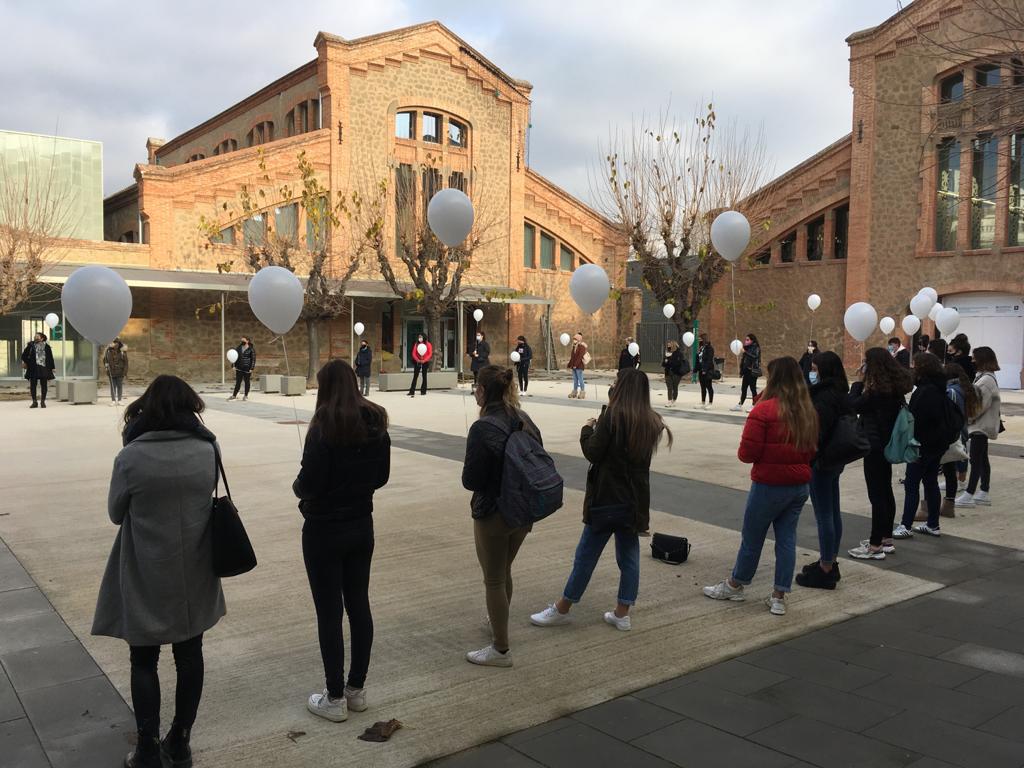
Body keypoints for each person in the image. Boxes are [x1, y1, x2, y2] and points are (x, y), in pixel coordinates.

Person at [92, 376, 226, 768]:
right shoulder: (208, 448)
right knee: (190, 654)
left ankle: (147, 747)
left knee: (143, 659)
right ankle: (180, 741)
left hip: (146, 568)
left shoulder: (130, 456)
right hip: (196, 567)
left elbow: (116, 513)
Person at [531, 369, 671, 631]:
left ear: (623, 388)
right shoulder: (651, 422)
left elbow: (593, 452)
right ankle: (622, 611)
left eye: (617, 382)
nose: (613, 384)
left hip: (607, 498)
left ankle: (563, 607)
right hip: (634, 502)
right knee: (629, 557)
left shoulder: (612, 417)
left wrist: (587, 428)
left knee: (586, 555)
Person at [293, 360, 390, 722]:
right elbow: (381, 476)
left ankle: (333, 696)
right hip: (360, 524)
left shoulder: (322, 427)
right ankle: (356, 688)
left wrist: (298, 488)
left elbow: (310, 482)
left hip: (323, 528)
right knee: (359, 604)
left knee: (329, 611)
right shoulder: (376, 421)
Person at [703, 357, 817, 615]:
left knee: (752, 538)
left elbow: (747, 453)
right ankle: (779, 595)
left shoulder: (764, 411)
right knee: (787, 539)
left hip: (769, 484)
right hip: (798, 484)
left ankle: (736, 584)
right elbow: (812, 450)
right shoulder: (807, 411)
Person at [461, 365, 542, 667]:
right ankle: (499, 622)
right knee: (504, 569)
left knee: (493, 579)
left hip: (493, 511)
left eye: (475, 388)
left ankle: (500, 648)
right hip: (523, 509)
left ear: (482, 391)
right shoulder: (524, 418)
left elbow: (471, 479)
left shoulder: (482, 428)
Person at [847, 348, 913, 560]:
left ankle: (875, 545)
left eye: (866, 362)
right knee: (885, 491)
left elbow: (852, 405)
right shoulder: (894, 388)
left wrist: (857, 385)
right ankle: (886, 539)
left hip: (873, 445)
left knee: (877, 494)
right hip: (886, 444)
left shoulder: (875, 392)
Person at [796, 351, 852, 589]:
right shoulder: (841, 392)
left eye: (816, 369)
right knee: (833, 511)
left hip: (822, 461)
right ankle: (830, 559)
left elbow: (817, 432)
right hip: (836, 458)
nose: (812, 373)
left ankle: (826, 567)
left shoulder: (823, 397)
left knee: (824, 515)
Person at [892, 353, 951, 538]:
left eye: (915, 364)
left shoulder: (926, 391)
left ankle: (905, 525)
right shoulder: (939, 387)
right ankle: (933, 524)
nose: (912, 367)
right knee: (930, 482)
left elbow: (918, 419)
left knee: (912, 484)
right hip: (936, 444)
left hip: (921, 445)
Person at [956, 347, 1002, 508]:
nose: (972, 360)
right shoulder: (984, 377)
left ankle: (969, 494)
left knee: (975, 460)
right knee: (982, 459)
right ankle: (984, 491)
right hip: (981, 424)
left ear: (982, 359)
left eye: (975, 358)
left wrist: (968, 418)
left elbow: (979, 406)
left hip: (981, 425)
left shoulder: (986, 380)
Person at [939, 363, 978, 517]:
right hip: (961, 429)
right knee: (955, 459)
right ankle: (951, 499)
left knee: (953, 459)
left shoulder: (952, 391)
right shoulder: (962, 388)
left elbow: (951, 413)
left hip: (953, 432)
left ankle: (958, 483)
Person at [21, 332, 55, 409]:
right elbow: (23, 356)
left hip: (44, 369)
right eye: (35, 336)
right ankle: (34, 402)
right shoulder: (30, 346)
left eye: (37, 336)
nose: (35, 338)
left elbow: (50, 358)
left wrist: (53, 367)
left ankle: (43, 401)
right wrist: (29, 362)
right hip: (33, 369)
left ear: (42, 338)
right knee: (33, 386)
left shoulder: (47, 347)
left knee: (44, 386)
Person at [731, 333, 761, 411]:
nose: (746, 341)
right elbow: (743, 361)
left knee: (753, 388)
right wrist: (741, 372)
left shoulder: (756, 348)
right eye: (745, 340)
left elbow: (755, 357)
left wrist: (745, 352)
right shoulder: (746, 348)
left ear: (752, 340)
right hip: (746, 371)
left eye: (748, 340)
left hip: (752, 371)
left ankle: (754, 404)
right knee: (743, 388)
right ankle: (740, 404)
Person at [227, 336, 256, 401]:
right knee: (238, 382)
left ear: (247, 341)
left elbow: (253, 359)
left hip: (247, 368)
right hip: (239, 368)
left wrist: (252, 368)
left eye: (243, 340)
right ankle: (234, 395)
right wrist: (233, 365)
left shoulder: (251, 349)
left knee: (247, 382)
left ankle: (245, 395)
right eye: (241, 340)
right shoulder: (238, 348)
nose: (242, 342)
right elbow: (235, 357)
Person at [104, 338, 129, 405]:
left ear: (119, 344)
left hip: (120, 372)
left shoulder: (123, 352)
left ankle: (120, 400)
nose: (116, 344)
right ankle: (113, 400)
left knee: (119, 386)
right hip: (111, 372)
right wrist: (106, 368)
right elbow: (105, 361)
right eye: (114, 343)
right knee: (113, 386)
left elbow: (126, 363)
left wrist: (125, 372)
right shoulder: (108, 351)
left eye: (117, 343)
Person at [408, 333, 432, 397]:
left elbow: (430, 354)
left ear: (424, 337)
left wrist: (424, 360)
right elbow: (413, 353)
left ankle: (423, 391)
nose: (420, 338)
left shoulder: (428, 344)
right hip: (417, 362)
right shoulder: (416, 344)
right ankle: (412, 391)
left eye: (421, 337)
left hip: (425, 362)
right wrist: (417, 360)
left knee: (424, 376)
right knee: (415, 376)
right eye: (419, 337)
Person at [661, 340, 684, 407]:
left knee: (675, 387)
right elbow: (663, 364)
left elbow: (678, 363)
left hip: (676, 373)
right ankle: (669, 400)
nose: (668, 347)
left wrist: (669, 361)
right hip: (668, 372)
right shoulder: (667, 353)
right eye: (667, 346)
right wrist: (665, 361)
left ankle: (674, 400)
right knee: (669, 387)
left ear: (673, 345)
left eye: (669, 345)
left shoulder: (679, 353)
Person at [697, 333, 716, 409]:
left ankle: (710, 402)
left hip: (708, 370)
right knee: (702, 386)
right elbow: (699, 359)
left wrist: (705, 369)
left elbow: (709, 360)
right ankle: (703, 401)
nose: (699, 340)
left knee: (709, 386)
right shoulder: (701, 348)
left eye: (700, 339)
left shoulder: (709, 348)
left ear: (704, 339)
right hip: (701, 370)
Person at [568, 332, 588, 400]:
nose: (574, 340)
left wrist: (575, 365)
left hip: (579, 366)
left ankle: (582, 392)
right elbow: (572, 357)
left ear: (579, 339)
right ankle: (574, 392)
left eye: (575, 339)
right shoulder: (574, 346)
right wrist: (570, 364)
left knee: (580, 379)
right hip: (574, 366)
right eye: (574, 339)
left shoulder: (582, 347)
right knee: (575, 380)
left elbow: (580, 357)